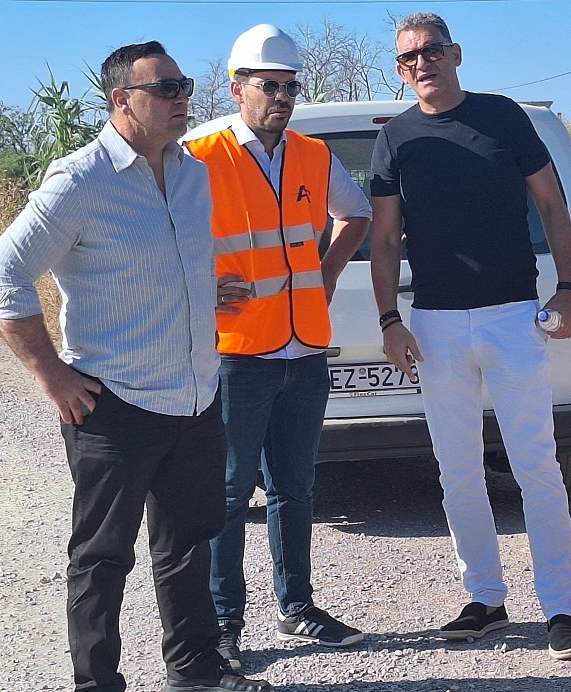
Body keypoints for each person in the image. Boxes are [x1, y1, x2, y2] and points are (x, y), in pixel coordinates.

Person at [0, 41, 272, 692]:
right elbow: (3, 274)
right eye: (165, 88)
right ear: (122, 100)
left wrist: (205, 289)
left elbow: (161, 261)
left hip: (196, 398)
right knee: (102, 557)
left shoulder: (193, 174)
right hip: (113, 406)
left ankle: (194, 675)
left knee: (189, 545)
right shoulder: (80, 181)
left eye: (183, 85)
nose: (182, 98)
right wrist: (50, 374)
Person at [368, 12, 571, 661]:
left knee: (536, 465)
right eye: (408, 57)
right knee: (458, 470)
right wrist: (389, 320)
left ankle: (559, 608)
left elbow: (552, 205)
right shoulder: (396, 138)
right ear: (400, 69)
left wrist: (569, 289)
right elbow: (384, 238)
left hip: (512, 317)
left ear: (455, 53)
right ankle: (486, 598)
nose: (422, 63)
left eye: (431, 50)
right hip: (436, 324)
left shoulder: (502, 118)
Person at [181, 24, 371, 667]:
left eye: (291, 86)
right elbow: (161, 236)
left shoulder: (314, 155)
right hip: (237, 355)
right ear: (237, 89)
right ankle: (223, 623)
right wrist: (199, 287)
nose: (283, 97)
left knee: (295, 490)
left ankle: (297, 608)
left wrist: (327, 272)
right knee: (229, 495)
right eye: (270, 85)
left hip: (304, 352)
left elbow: (356, 215)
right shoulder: (197, 155)